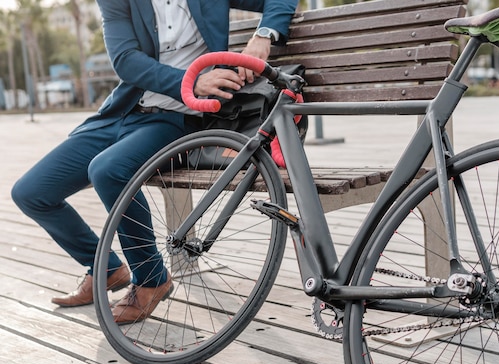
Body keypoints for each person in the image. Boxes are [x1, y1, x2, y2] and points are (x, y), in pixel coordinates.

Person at [11, 0, 298, 324]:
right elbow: (126, 60)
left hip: (175, 120)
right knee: (31, 192)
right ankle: (105, 269)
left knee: (108, 170)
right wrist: (189, 81)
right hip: (123, 111)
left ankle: (151, 278)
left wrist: (263, 34)